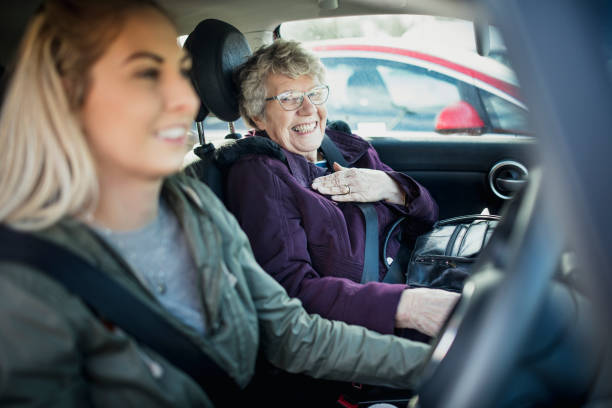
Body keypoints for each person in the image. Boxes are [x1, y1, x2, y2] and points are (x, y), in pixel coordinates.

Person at [0, 1, 438, 406]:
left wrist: (434, 369)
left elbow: (291, 333)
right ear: (69, 97)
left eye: (178, 74)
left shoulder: (191, 205)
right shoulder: (24, 280)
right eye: (146, 74)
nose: (185, 100)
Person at [226, 40, 459, 338]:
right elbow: (291, 292)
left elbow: (429, 215)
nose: (308, 108)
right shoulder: (261, 174)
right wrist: (409, 306)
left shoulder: (344, 146)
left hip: (421, 277)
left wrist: (390, 187)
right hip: (370, 327)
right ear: (258, 116)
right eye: (289, 98)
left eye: (314, 94)